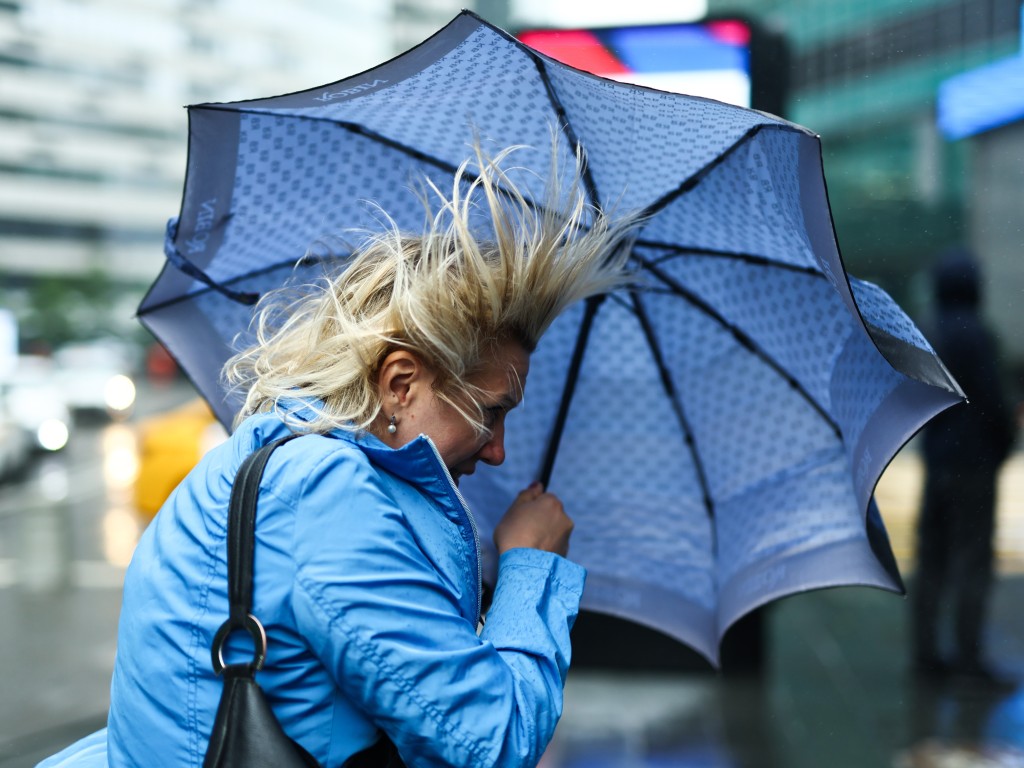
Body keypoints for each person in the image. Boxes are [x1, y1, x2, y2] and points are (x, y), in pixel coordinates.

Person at [38, 146, 642, 767]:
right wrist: (530, 566)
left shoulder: (280, 458)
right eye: (490, 411)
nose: (497, 450)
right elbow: (489, 744)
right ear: (401, 383)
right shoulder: (322, 492)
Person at [910, 247, 1017, 684]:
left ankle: (925, 657)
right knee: (971, 562)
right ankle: (969, 661)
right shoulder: (977, 334)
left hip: (938, 461)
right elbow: (993, 401)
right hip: (974, 464)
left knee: (932, 560)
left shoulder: (929, 332)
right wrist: (1003, 442)